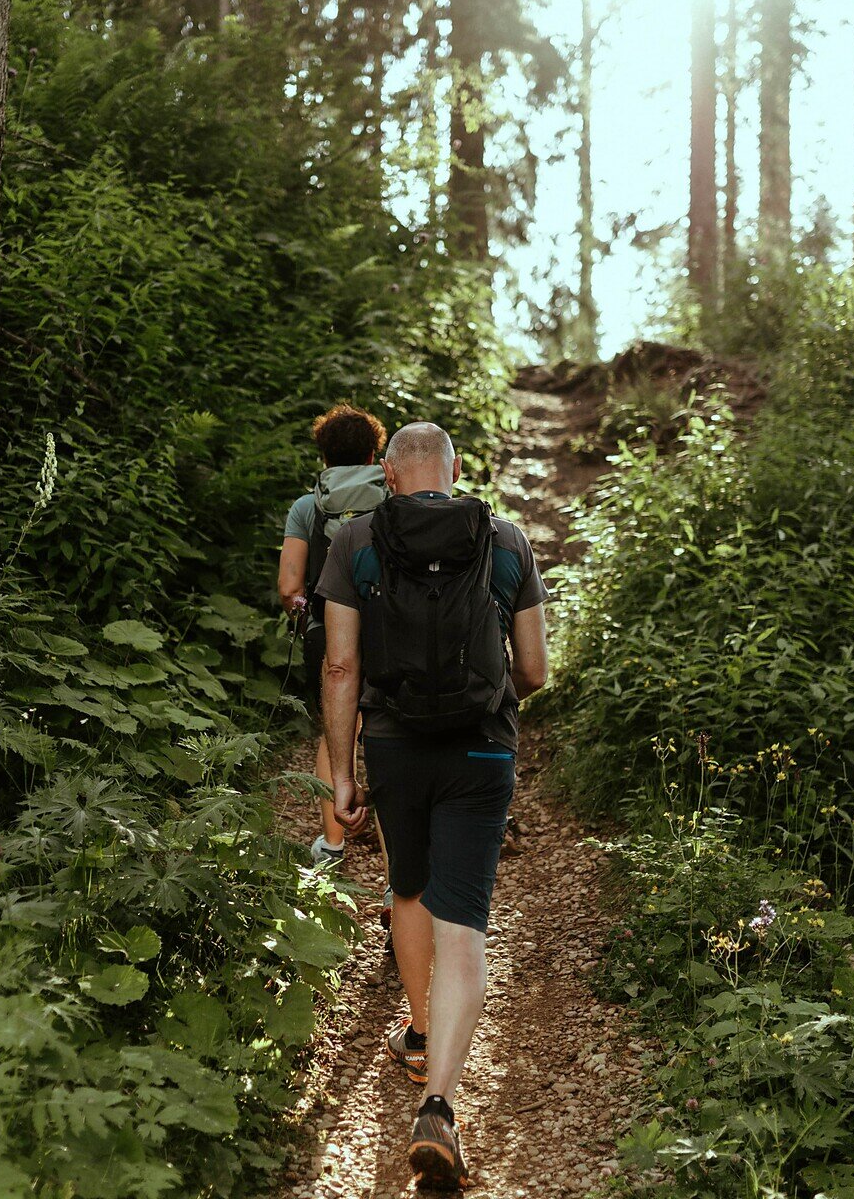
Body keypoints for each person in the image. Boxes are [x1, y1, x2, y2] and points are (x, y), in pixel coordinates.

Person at [317, 421, 549, 1190]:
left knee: (408, 886)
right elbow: (535, 669)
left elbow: (341, 664)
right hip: (481, 752)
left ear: (388, 474)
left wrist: (342, 775)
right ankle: (440, 1106)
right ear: (455, 469)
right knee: (465, 926)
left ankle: (419, 1033)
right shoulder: (506, 540)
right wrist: (484, 704)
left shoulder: (355, 541)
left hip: (394, 745)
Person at [277, 403, 389, 866]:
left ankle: (332, 845)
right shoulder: (394, 499)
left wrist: (306, 612)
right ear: (373, 456)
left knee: (335, 735)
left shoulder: (307, 507)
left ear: (323, 456)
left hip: (328, 633)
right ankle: (396, 858)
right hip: (388, 631)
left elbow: (289, 587)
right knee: (387, 730)